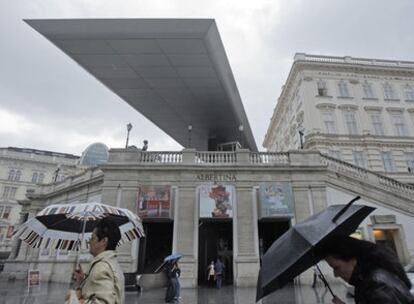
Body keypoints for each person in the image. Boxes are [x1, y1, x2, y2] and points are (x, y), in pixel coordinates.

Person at [319, 236, 414, 304]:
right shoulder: (365, 281)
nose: (336, 274)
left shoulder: (379, 286)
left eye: (336, 268)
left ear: (353, 260)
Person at [68, 218, 125, 304]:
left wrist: (72, 299)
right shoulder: (112, 263)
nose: (89, 242)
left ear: (103, 241)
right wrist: (81, 282)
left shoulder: (101, 267)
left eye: (92, 238)